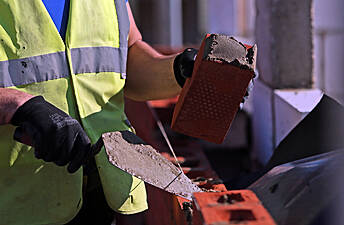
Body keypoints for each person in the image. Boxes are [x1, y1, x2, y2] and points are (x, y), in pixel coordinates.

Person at [0, 0, 197, 224]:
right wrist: (17, 105)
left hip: (101, 195)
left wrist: (177, 70)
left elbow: (127, 57)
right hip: (17, 201)